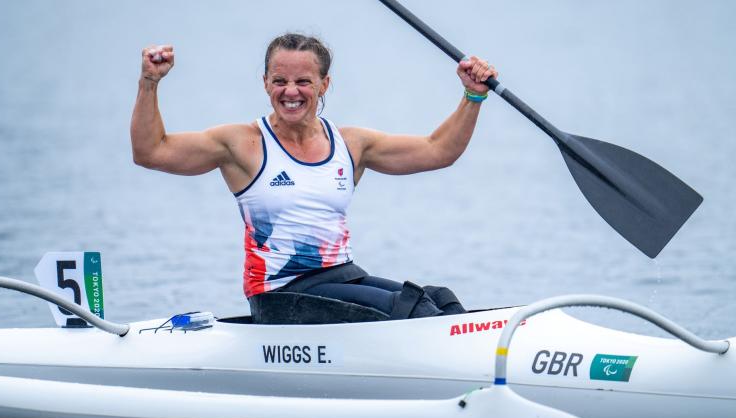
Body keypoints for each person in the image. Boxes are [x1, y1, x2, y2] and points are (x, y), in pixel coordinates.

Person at [131, 33, 497, 321]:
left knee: (440, 302)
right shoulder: (241, 144)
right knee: (416, 312)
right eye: (279, 80)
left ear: (324, 84)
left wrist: (472, 96)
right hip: (281, 296)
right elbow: (152, 151)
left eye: (303, 81)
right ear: (265, 83)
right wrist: (150, 82)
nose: (290, 92)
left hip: (343, 276)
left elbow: (438, 150)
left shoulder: (351, 144)